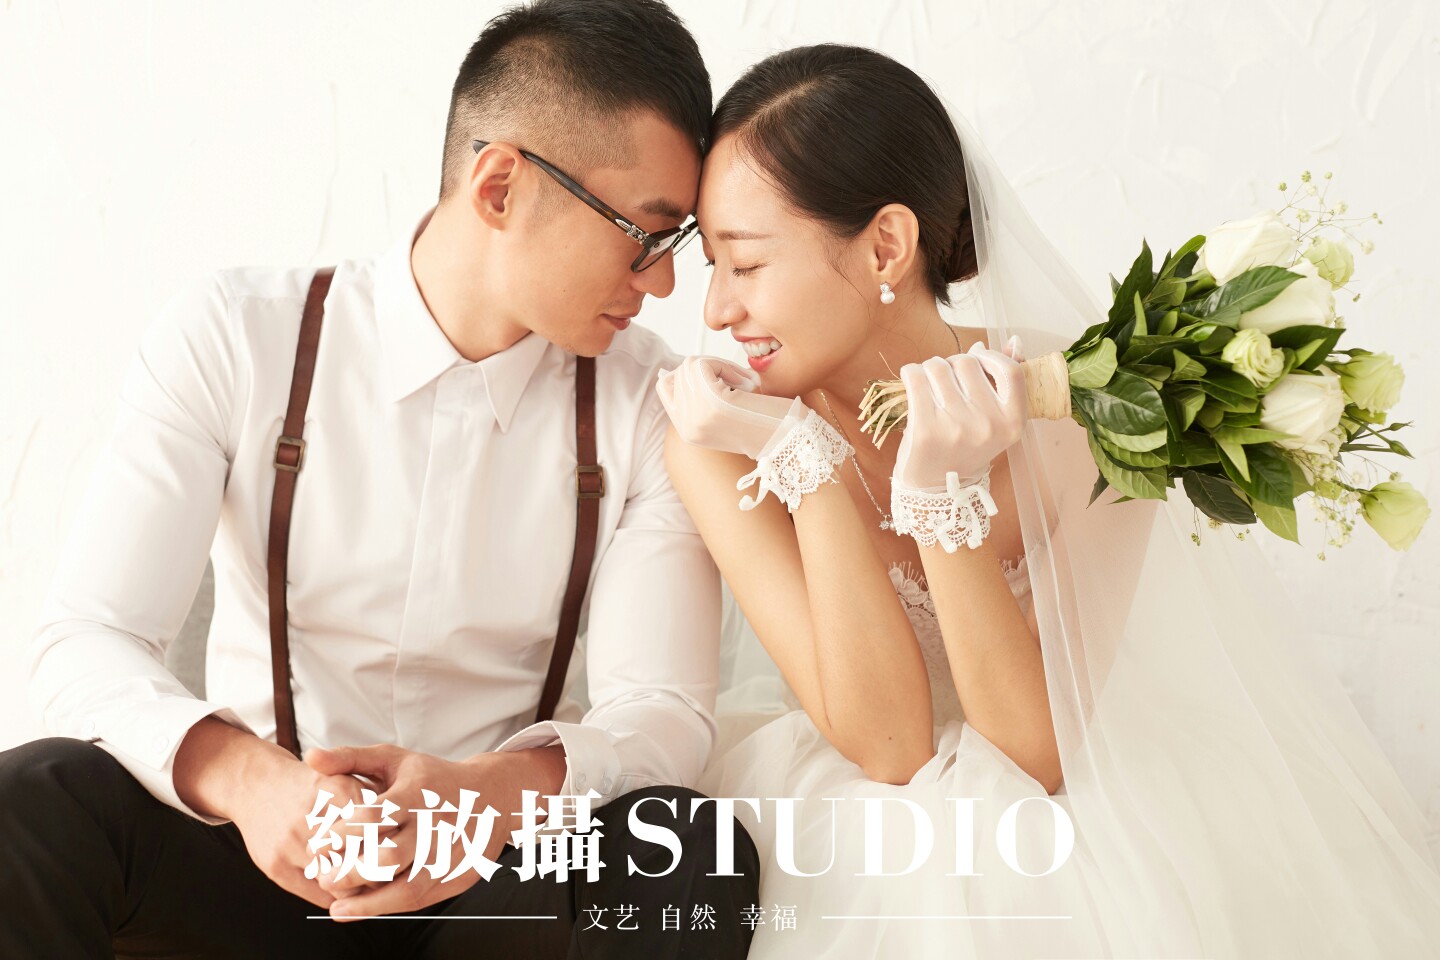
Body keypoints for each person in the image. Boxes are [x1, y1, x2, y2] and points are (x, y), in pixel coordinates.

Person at [0, 2, 760, 957]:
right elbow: (87, 637)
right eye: (642, 233)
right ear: (499, 187)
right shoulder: (238, 334)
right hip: (253, 866)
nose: (662, 284)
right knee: (30, 800)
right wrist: (253, 782)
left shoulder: (651, 401)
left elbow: (664, 709)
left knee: (692, 852)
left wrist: (491, 795)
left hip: (491, 886)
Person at [658, 43, 1440, 958]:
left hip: (1082, 808)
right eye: (712, 265)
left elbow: (1034, 754)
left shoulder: (1093, 404)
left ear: (885, 246)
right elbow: (892, 749)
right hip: (855, 810)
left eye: (745, 266)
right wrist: (805, 461)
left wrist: (938, 489)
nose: (714, 312)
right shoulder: (725, 436)